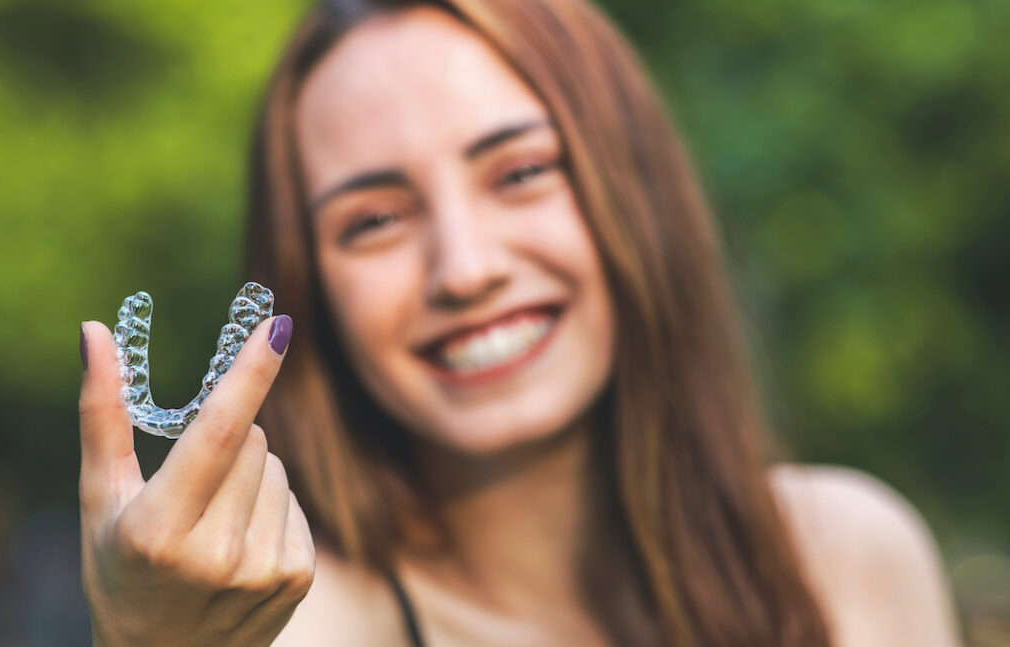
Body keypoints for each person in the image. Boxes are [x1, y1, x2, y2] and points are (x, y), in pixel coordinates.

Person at [77, 0, 963, 645]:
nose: (466, 269)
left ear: (637, 188)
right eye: (375, 220)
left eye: (522, 170)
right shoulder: (297, 628)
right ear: (307, 288)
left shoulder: (848, 560)